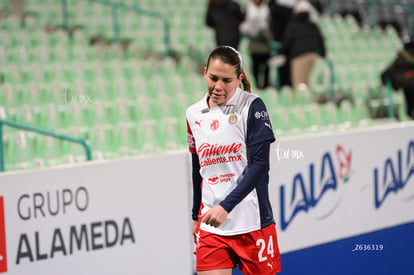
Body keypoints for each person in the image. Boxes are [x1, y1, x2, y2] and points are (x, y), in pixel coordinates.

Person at [186, 45, 281, 275]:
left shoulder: (253, 107)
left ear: (239, 79)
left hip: (252, 222)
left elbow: (260, 166)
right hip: (211, 224)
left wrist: (225, 207)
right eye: (213, 78)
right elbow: (197, 167)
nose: (218, 87)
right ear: (205, 72)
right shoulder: (193, 114)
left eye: (226, 80)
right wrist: (194, 215)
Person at [269, 0, 326, 90]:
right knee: (311, 85)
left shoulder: (292, 25)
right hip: (313, 55)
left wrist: (280, 52)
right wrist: (323, 54)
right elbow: (321, 40)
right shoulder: (312, 25)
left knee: (299, 85)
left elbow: (287, 42)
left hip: (298, 57)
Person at [240, 0, 273, 89]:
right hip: (254, 45)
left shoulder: (268, 8)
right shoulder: (247, 8)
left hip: (266, 45)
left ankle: (265, 86)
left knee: (266, 68)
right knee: (255, 67)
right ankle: (257, 86)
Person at [381, 38, 414, 119]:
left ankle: (409, 114)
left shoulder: (401, 57)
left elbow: (388, 72)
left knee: (409, 101)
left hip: (406, 83)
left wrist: (384, 78)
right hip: (408, 83)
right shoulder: (403, 58)